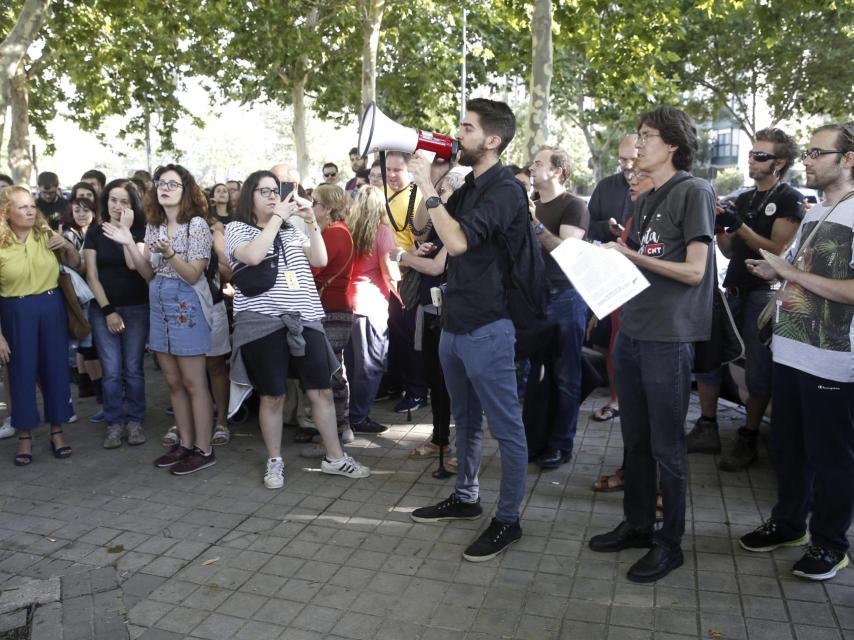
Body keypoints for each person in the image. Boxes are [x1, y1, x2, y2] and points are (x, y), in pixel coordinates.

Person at [588, 106, 716, 583]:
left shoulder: (693, 191)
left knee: (667, 445)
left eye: (646, 137)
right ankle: (638, 524)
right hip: (635, 330)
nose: (637, 145)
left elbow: (695, 271)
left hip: (668, 335)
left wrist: (629, 253)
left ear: (672, 146)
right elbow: (638, 262)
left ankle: (670, 542)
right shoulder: (644, 196)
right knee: (635, 440)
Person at [407, 98, 530, 562]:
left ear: (492, 140)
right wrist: (430, 182)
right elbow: (425, 227)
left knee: (506, 428)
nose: (457, 135)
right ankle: (466, 496)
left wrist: (430, 187)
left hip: (489, 325)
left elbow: (456, 242)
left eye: (466, 128)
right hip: (455, 323)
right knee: (465, 419)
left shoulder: (504, 189)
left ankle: (508, 519)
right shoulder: (470, 183)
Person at [738, 123, 854, 581]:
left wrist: (791, 272)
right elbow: (801, 274)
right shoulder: (815, 212)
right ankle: (789, 525)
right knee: (788, 448)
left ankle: (830, 544)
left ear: (848, 159)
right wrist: (776, 273)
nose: (807, 159)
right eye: (806, 151)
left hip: (832, 358)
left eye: (817, 152)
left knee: (832, 456)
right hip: (789, 348)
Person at [226, 171, 369, 487]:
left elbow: (319, 258)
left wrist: (311, 220)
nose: (272, 196)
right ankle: (274, 460)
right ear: (249, 195)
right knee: (273, 395)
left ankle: (335, 457)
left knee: (321, 390)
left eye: (275, 191)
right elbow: (252, 255)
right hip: (262, 322)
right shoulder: (237, 229)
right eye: (264, 191)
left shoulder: (292, 230)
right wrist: (277, 218)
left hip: (305, 317)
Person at [687, 128, 803, 471]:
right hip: (732, 288)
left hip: (762, 293)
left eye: (760, 156)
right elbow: (727, 249)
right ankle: (707, 426)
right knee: (709, 356)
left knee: (757, 370)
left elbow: (778, 251)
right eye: (752, 154)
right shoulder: (745, 196)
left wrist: (739, 225)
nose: (751, 160)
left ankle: (748, 437)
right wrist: (723, 227)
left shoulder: (789, 199)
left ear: (779, 163)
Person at [105, 165, 216, 475]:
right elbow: (146, 274)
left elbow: (194, 274)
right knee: (173, 382)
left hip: (186, 302)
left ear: (186, 190)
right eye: (161, 183)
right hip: (158, 300)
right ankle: (185, 443)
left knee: (194, 383)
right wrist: (129, 241)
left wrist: (169, 253)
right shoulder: (153, 226)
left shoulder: (196, 225)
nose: (165, 187)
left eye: (173, 183)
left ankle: (204, 449)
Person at [0, 186, 80, 465]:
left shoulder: (45, 234)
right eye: (22, 207)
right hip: (15, 311)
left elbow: (76, 264)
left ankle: (57, 431)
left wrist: (67, 245)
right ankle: (24, 435)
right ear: (6, 212)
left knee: (56, 369)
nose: (30, 210)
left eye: (31, 205)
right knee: (21, 372)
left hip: (51, 306)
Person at [591, 168, 655, 492]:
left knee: (649, 414)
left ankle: (652, 486)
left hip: (651, 329)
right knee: (631, 411)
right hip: (622, 318)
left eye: (641, 174)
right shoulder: (634, 219)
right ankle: (631, 470)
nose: (632, 180)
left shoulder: (665, 219)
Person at [527, 146, 590, 468]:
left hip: (565, 297)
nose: (532, 167)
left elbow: (568, 253)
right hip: (535, 298)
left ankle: (560, 445)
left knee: (566, 376)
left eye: (538, 163)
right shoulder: (534, 204)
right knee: (537, 375)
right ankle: (536, 439)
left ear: (557, 171)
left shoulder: (573, 206)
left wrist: (535, 224)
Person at [402, 170, 465, 462]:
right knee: (435, 382)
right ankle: (440, 439)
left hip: (449, 318)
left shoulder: (458, 230)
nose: (437, 202)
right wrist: (418, 251)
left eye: (442, 196)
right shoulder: (437, 232)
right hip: (429, 313)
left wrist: (402, 257)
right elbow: (417, 229)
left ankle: (458, 444)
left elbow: (436, 268)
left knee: (450, 385)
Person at [85, 180, 150, 448]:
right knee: (111, 371)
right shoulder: (95, 231)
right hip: (104, 310)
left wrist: (125, 232)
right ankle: (114, 423)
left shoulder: (141, 231)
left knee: (133, 369)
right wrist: (108, 311)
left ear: (133, 205)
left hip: (136, 307)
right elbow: (91, 275)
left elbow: (134, 266)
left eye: (124, 201)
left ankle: (134, 420)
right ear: (105, 201)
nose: (118, 205)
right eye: (113, 200)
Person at [300, 183, 356, 456]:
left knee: (330, 375)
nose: (312, 207)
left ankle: (334, 436)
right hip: (335, 310)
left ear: (327, 208)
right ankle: (336, 431)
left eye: (315, 203)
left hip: (331, 312)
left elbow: (313, 270)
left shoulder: (334, 234)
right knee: (333, 372)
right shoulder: (337, 232)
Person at [344, 186, 400, 434]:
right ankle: (358, 416)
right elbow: (390, 271)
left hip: (348, 304)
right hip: (371, 305)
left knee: (352, 366)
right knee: (371, 365)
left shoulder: (347, 230)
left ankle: (347, 414)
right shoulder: (382, 232)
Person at [380, 151, 427, 412]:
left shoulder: (416, 198)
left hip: (406, 277)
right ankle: (397, 384)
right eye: (388, 170)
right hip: (390, 275)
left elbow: (418, 245)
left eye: (397, 170)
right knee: (398, 336)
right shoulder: (385, 194)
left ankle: (416, 391)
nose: (391, 175)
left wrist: (402, 262)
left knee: (411, 338)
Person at [62, 197, 104, 421]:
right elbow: (75, 266)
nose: (80, 214)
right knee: (88, 348)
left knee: (99, 347)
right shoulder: (66, 235)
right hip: (80, 299)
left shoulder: (99, 232)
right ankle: (100, 395)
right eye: (76, 210)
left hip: (102, 295)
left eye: (85, 210)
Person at [587, 135, 639, 243]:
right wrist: (606, 228)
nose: (628, 165)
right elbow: (587, 225)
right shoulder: (604, 186)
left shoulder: (655, 187)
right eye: (623, 159)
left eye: (634, 159)